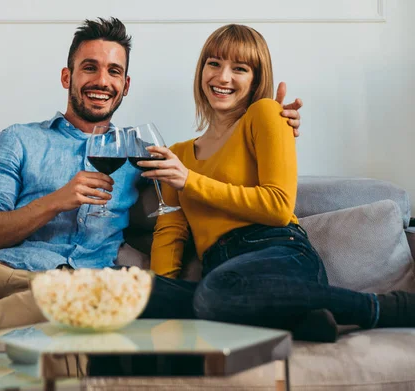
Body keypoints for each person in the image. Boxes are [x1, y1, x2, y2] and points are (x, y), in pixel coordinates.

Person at [0, 18, 303, 331]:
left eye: (114, 72)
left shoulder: (142, 151)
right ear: (67, 76)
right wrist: (57, 200)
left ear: (126, 86)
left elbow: (199, 183)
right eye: (90, 68)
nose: (101, 80)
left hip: (75, 288)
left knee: (83, 297)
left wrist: (272, 126)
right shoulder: (18, 140)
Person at [140, 24, 415, 342]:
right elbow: (170, 233)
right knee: (137, 292)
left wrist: (191, 180)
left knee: (215, 293)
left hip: (277, 252)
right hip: (222, 269)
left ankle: (379, 307)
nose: (223, 77)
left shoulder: (265, 114)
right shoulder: (177, 154)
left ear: (256, 79)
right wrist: (158, 296)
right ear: (201, 69)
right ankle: (296, 317)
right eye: (213, 63)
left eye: (239, 68)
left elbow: (278, 207)